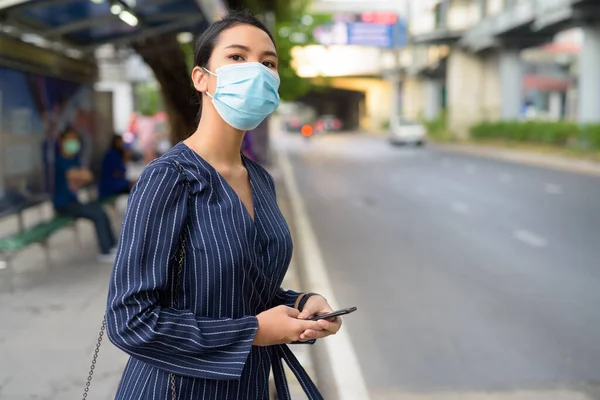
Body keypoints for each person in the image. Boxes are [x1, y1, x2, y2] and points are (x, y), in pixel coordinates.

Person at [106, 11, 342, 400]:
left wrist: (300, 304)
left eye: (268, 62)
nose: (257, 70)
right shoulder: (169, 177)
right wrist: (255, 332)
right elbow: (129, 321)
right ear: (201, 78)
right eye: (237, 57)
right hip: (175, 389)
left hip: (247, 387)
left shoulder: (260, 179)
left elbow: (241, 287)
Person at [53, 127, 117, 263]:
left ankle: (112, 246)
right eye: (69, 139)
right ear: (62, 142)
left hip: (74, 202)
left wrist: (81, 176)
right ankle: (105, 251)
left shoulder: (74, 160)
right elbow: (76, 175)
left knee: (100, 210)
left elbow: (87, 176)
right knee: (97, 214)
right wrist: (81, 175)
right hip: (63, 204)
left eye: (75, 139)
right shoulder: (60, 161)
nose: (73, 142)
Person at [98, 134, 134, 200]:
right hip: (110, 188)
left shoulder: (117, 154)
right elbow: (118, 172)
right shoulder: (112, 155)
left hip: (114, 184)